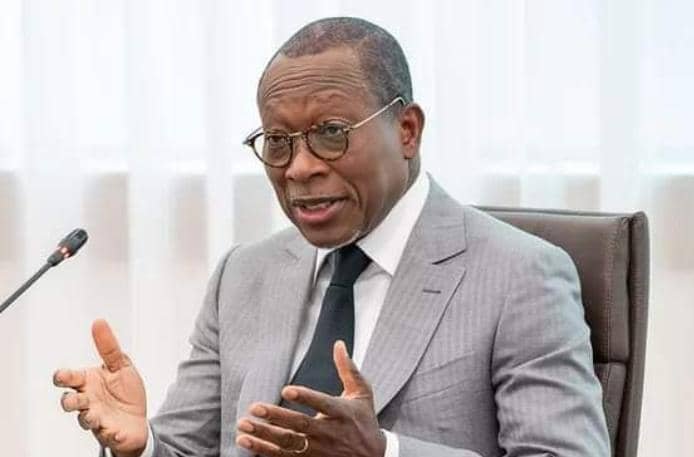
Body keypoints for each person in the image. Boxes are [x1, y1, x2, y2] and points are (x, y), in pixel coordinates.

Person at [53, 17, 610, 457]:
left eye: (330, 133)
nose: (299, 168)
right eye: (278, 142)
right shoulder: (243, 274)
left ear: (407, 130)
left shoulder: (519, 275)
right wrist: (144, 444)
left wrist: (384, 452)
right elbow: (188, 448)